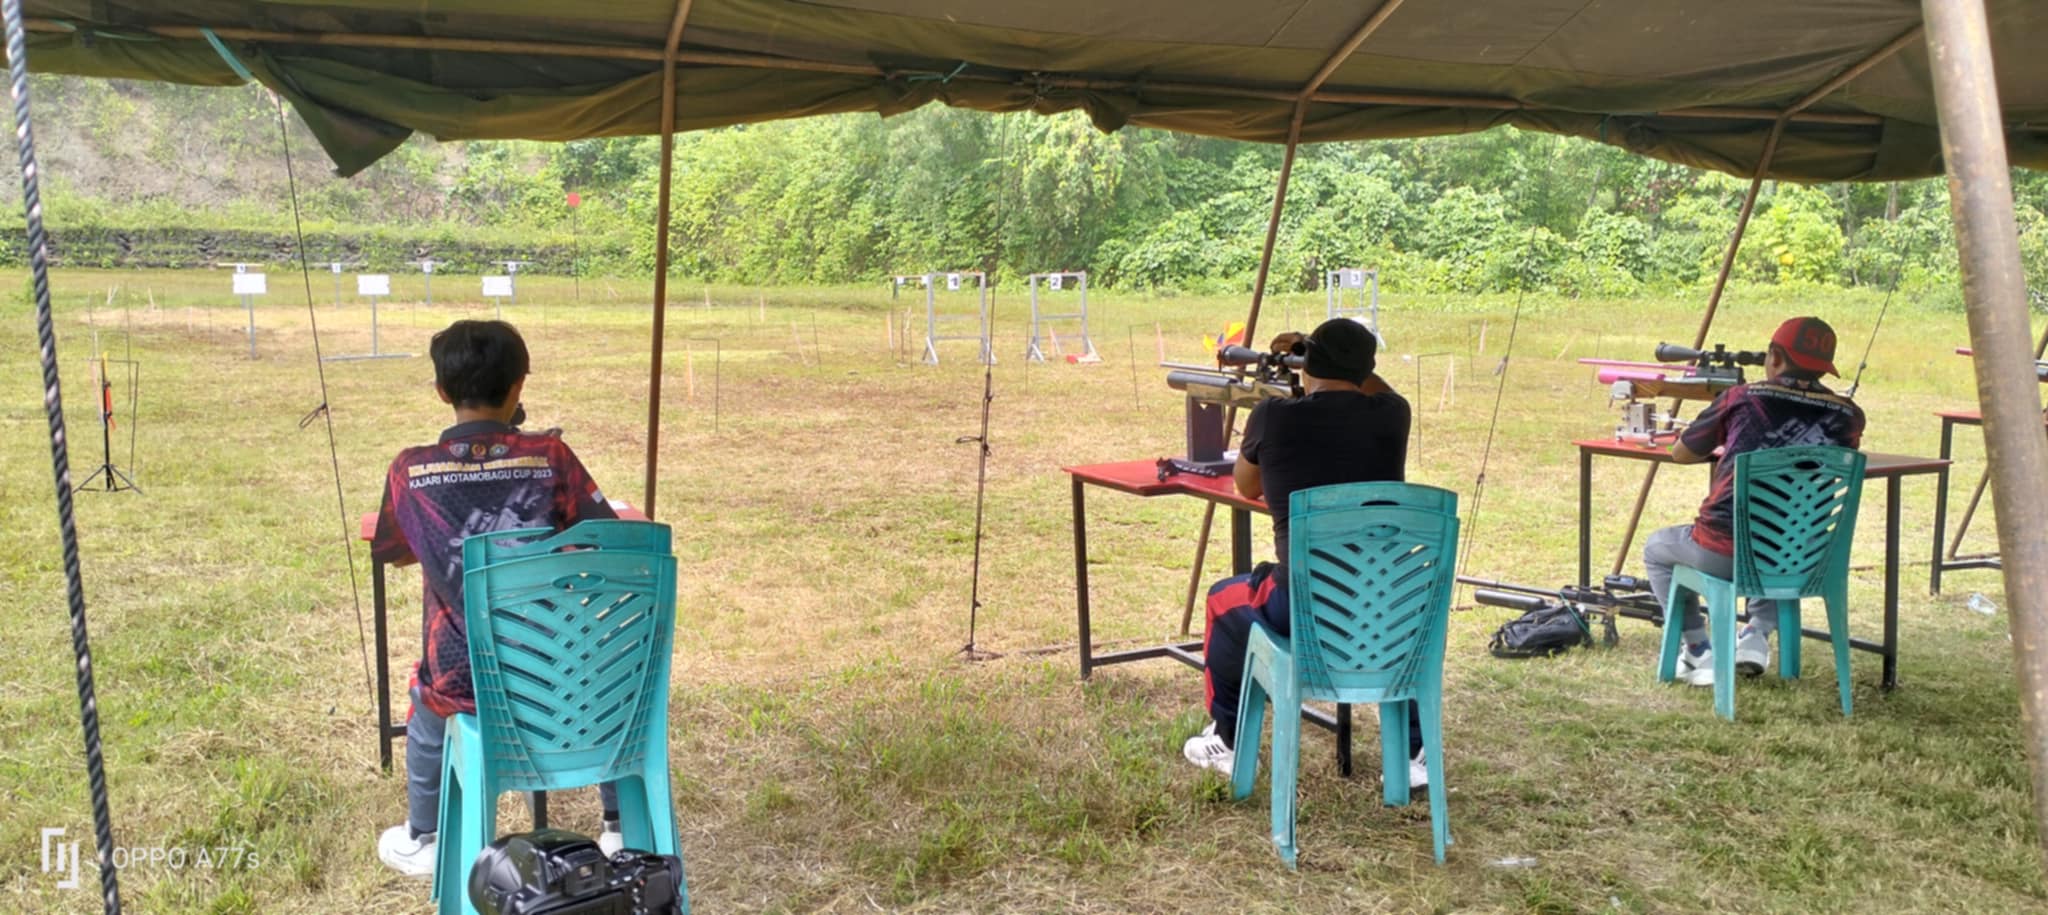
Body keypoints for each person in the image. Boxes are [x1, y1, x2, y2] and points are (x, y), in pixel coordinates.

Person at [370, 320, 621, 878]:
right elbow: (601, 535)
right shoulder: (551, 456)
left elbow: (391, 550)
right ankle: (620, 826)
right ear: (519, 387)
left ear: (441, 391)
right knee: (606, 674)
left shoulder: (408, 471)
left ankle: (425, 836)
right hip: (559, 674)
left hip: (462, 681)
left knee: (427, 698)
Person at [1181, 318, 1429, 786]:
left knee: (1222, 600)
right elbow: (1377, 387)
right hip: (1389, 603)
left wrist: (1297, 375)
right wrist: (1314, 359)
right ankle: (1417, 754)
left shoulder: (1274, 417)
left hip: (1306, 605)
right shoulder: (1393, 414)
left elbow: (1247, 486)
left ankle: (1229, 740)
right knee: (1399, 622)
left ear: (1310, 361)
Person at [1644, 316, 1865, 687]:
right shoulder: (1849, 415)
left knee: (1657, 549)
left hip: (1724, 552)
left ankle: (1698, 650)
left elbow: (1681, 453)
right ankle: (1756, 636)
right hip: (1802, 555)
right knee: (1776, 528)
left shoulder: (1740, 398)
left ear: (1774, 357)